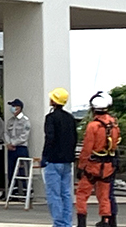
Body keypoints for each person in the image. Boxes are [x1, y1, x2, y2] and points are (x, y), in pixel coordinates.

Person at [76, 91, 120, 227]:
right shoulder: (113, 123)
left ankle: (81, 222)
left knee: (82, 194)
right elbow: (115, 143)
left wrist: (81, 166)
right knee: (104, 196)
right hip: (108, 165)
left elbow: (87, 148)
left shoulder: (93, 126)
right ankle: (105, 220)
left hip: (93, 165)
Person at [42, 87, 77, 227]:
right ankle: (67, 223)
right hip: (67, 160)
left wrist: (45, 156)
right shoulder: (70, 118)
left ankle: (58, 223)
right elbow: (74, 138)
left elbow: (49, 138)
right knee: (66, 193)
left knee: (53, 194)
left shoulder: (50, 118)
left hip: (53, 160)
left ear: (54, 101)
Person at [4, 98, 31, 197]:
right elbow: (6, 133)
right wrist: (8, 143)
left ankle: (26, 191)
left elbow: (25, 135)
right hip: (11, 148)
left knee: (23, 170)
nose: (13, 108)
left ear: (19, 108)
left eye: (14, 106)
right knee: (11, 170)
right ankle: (13, 192)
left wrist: (14, 143)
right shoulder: (10, 121)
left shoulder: (25, 120)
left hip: (21, 148)